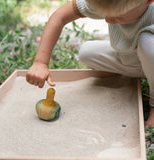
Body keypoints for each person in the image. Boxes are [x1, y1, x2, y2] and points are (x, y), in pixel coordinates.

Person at [26, 0, 154, 128]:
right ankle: (137, 73)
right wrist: (40, 62)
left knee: (148, 43)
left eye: (118, 16)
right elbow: (60, 16)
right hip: (132, 58)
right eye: (104, 14)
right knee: (86, 52)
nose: (108, 20)